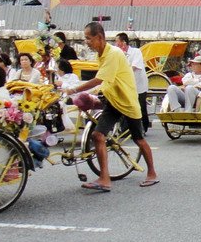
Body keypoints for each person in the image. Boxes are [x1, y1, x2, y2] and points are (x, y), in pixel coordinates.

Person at [64, 22, 158, 190]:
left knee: (139, 139)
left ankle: (152, 173)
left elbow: (99, 79)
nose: (86, 42)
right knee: (98, 135)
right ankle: (104, 179)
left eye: (88, 38)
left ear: (99, 37)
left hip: (127, 102)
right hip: (113, 101)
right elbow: (106, 80)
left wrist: (74, 89)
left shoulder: (113, 54)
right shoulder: (101, 54)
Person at [116, 32, 150, 132]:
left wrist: (124, 74)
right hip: (126, 84)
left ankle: (144, 126)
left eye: (117, 41)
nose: (116, 44)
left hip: (139, 83)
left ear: (123, 42)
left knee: (141, 106)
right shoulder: (118, 53)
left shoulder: (136, 52)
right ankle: (126, 128)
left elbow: (134, 66)